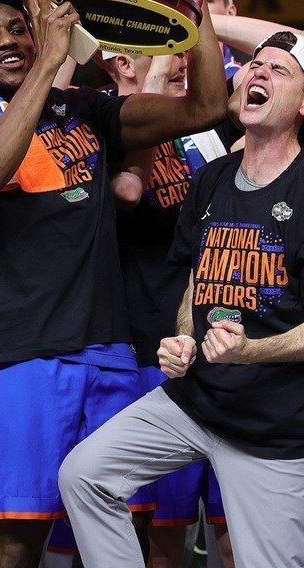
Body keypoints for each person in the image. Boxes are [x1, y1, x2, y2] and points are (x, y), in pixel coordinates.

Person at [0, 0, 227, 568]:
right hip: (21, 355)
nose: (8, 40)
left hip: (110, 351)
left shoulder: (87, 110)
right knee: (17, 540)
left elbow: (204, 108)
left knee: (120, 534)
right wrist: (50, 62)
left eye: (16, 27)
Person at [58, 30, 304, 568]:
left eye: (279, 70)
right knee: (84, 476)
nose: (258, 72)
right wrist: (185, 336)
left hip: (275, 429)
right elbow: (196, 279)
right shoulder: (212, 179)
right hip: (196, 401)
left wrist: (251, 352)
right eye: (255, 65)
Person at [101, 49, 237, 568]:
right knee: (158, 527)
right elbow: (127, 191)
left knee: (233, 525)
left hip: (222, 346)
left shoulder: (205, 124)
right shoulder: (100, 121)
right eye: (161, 49)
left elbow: (289, 62)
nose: (179, 60)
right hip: (149, 347)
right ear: (120, 63)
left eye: (182, 50)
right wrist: (156, 74)